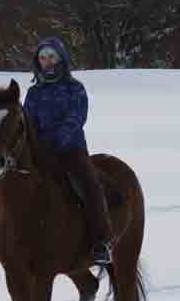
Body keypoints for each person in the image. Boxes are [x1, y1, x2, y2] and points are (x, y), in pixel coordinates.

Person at [23, 36, 115, 268]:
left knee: (90, 186)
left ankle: (102, 241)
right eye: (42, 58)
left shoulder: (75, 89)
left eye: (51, 57)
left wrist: (55, 140)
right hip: (41, 154)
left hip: (72, 151)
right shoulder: (34, 93)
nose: (47, 62)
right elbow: (27, 122)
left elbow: (77, 118)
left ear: (61, 58)